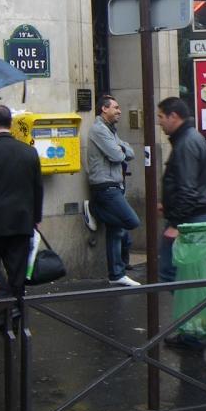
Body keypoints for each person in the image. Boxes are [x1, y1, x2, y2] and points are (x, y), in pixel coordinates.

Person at [0, 105, 43, 301]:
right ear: (10, 124)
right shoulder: (29, 152)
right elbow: (38, 188)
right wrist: (36, 218)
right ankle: (16, 310)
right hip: (21, 222)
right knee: (17, 275)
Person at [157, 96, 206, 286]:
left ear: (173, 116)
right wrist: (169, 205)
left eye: (161, 117)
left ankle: (198, 305)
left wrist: (176, 224)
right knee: (192, 274)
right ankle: (200, 304)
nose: (159, 122)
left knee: (171, 272)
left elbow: (188, 189)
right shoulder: (190, 138)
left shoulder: (186, 143)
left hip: (191, 219)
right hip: (196, 216)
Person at [84, 95, 142, 287]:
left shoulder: (110, 130)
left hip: (115, 184)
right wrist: (120, 149)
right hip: (105, 186)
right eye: (115, 108)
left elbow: (130, 153)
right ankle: (95, 210)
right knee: (131, 221)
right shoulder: (99, 130)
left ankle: (116, 274)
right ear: (104, 109)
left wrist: (120, 148)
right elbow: (117, 156)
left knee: (116, 230)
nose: (119, 111)